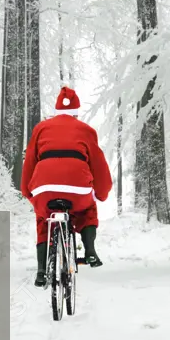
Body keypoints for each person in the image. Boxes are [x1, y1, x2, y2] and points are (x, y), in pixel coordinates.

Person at [20, 85, 113, 287]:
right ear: (76, 112)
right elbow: (98, 165)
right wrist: (102, 193)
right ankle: (89, 251)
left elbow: (29, 163)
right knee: (87, 208)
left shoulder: (41, 128)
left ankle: (42, 269)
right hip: (77, 188)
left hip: (44, 187)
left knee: (43, 216)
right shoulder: (86, 131)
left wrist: (28, 191)